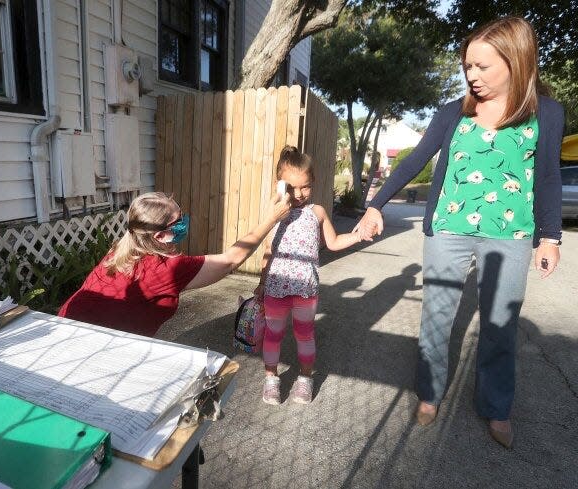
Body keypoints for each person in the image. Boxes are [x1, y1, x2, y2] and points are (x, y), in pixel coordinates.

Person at [355, 17, 564, 448]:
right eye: (468, 66)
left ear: (516, 61)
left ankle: (496, 405)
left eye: (483, 67)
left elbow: (547, 178)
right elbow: (416, 161)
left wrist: (551, 236)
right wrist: (375, 204)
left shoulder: (547, 113)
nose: (472, 75)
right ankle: (429, 392)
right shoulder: (454, 112)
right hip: (448, 230)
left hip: (510, 236)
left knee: (499, 324)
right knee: (436, 316)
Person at [58, 191, 291, 337]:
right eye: (179, 221)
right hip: (90, 341)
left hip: (68, 326)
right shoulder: (167, 268)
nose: (185, 222)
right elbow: (230, 260)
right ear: (159, 236)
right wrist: (271, 219)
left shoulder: (121, 248)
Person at [256, 146, 362, 405]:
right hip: (276, 288)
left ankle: (305, 379)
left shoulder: (318, 212)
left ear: (312, 183)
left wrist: (359, 234)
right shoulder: (275, 213)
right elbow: (268, 249)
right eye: (291, 188)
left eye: (305, 187)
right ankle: (271, 379)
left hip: (306, 289)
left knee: (304, 334)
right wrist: (261, 283)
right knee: (273, 334)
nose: (299, 194)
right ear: (279, 185)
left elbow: (334, 242)